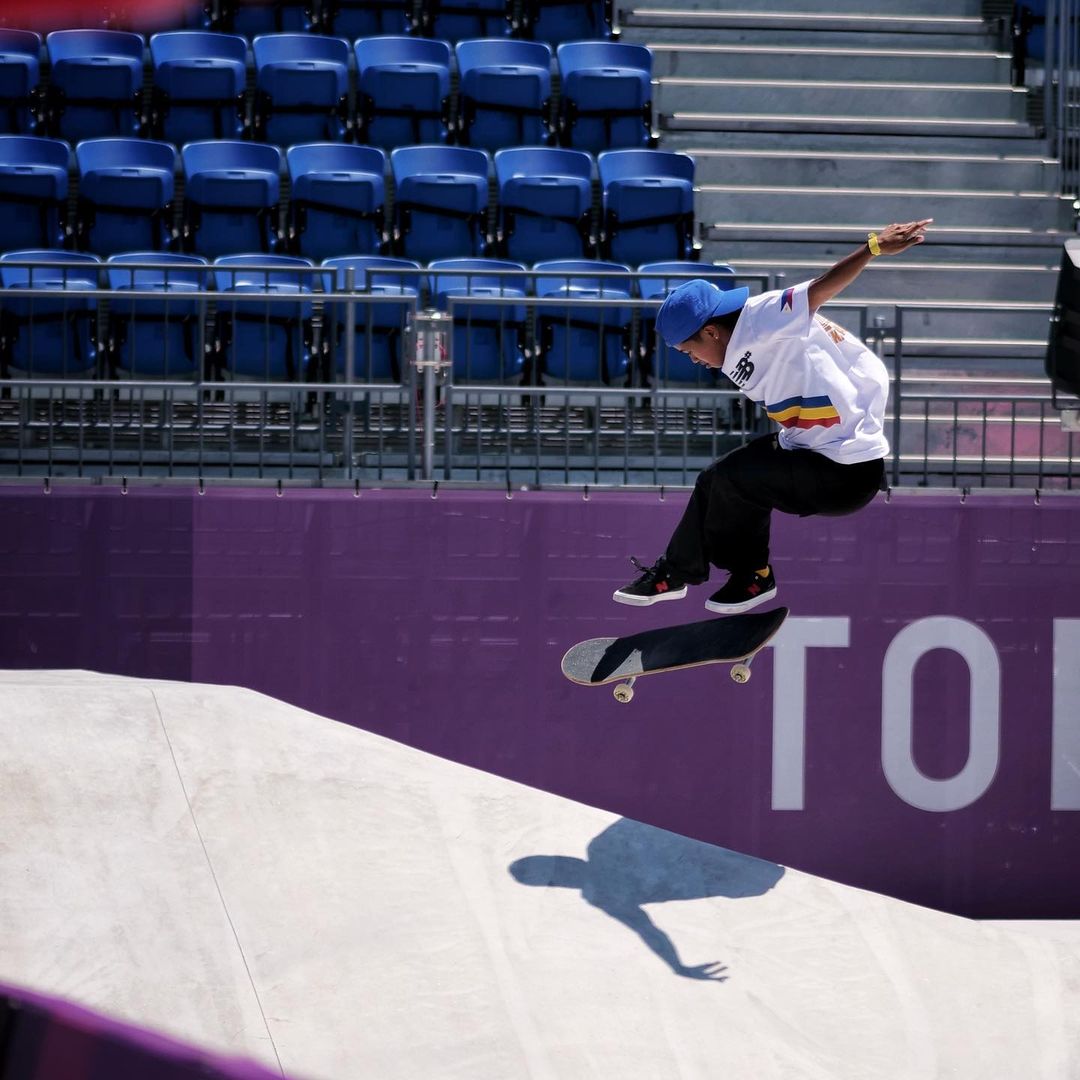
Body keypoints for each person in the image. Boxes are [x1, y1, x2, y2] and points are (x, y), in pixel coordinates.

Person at [614, 218, 932, 614]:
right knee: (716, 479)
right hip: (814, 454)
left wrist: (873, 247)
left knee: (736, 479)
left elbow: (820, 290)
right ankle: (689, 574)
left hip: (844, 472)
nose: (694, 360)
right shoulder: (731, 345)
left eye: (689, 351)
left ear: (711, 331)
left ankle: (747, 577)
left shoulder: (760, 318)